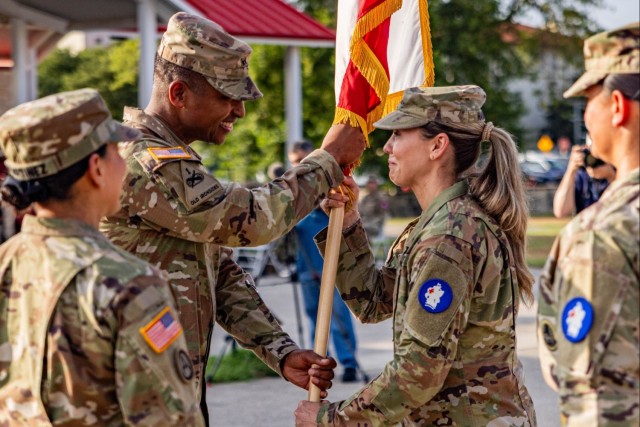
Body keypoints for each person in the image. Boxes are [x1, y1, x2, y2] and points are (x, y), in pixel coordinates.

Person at [100, 12, 363, 420]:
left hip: (167, 393)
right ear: (179, 93)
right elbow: (251, 221)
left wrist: (281, 350)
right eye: (227, 96)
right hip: (131, 401)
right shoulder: (145, 160)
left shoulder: (176, 162)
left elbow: (219, 274)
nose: (239, 111)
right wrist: (326, 162)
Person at [295, 85, 537, 426]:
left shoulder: (448, 236)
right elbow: (373, 302)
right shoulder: (440, 222)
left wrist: (331, 420)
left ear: (437, 146)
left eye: (397, 134)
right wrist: (349, 222)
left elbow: (418, 372)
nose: (386, 148)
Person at [0, 89, 204, 425]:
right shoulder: (131, 284)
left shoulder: (7, 261)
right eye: (116, 152)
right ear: (96, 167)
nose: (124, 164)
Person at [538, 22, 639, 426]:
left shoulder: (604, 233)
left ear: (617, 105)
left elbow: (598, 406)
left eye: (589, 99)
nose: (586, 115)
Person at [288, 140, 360, 383]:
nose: (299, 166)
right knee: (313, 318)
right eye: (295, 162)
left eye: (302, 160)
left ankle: (349, 363)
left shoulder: (330, 193)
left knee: (338, 316)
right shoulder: (293, 200)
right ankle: (319, 362)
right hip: (306, 270)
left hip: (332, 271)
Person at [553, 143, 616, 218]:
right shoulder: (581, 175)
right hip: (586, 227)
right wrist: (571, 170)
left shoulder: (618, 170)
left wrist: (611, 176)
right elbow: (561, 212)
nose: (594, 158)